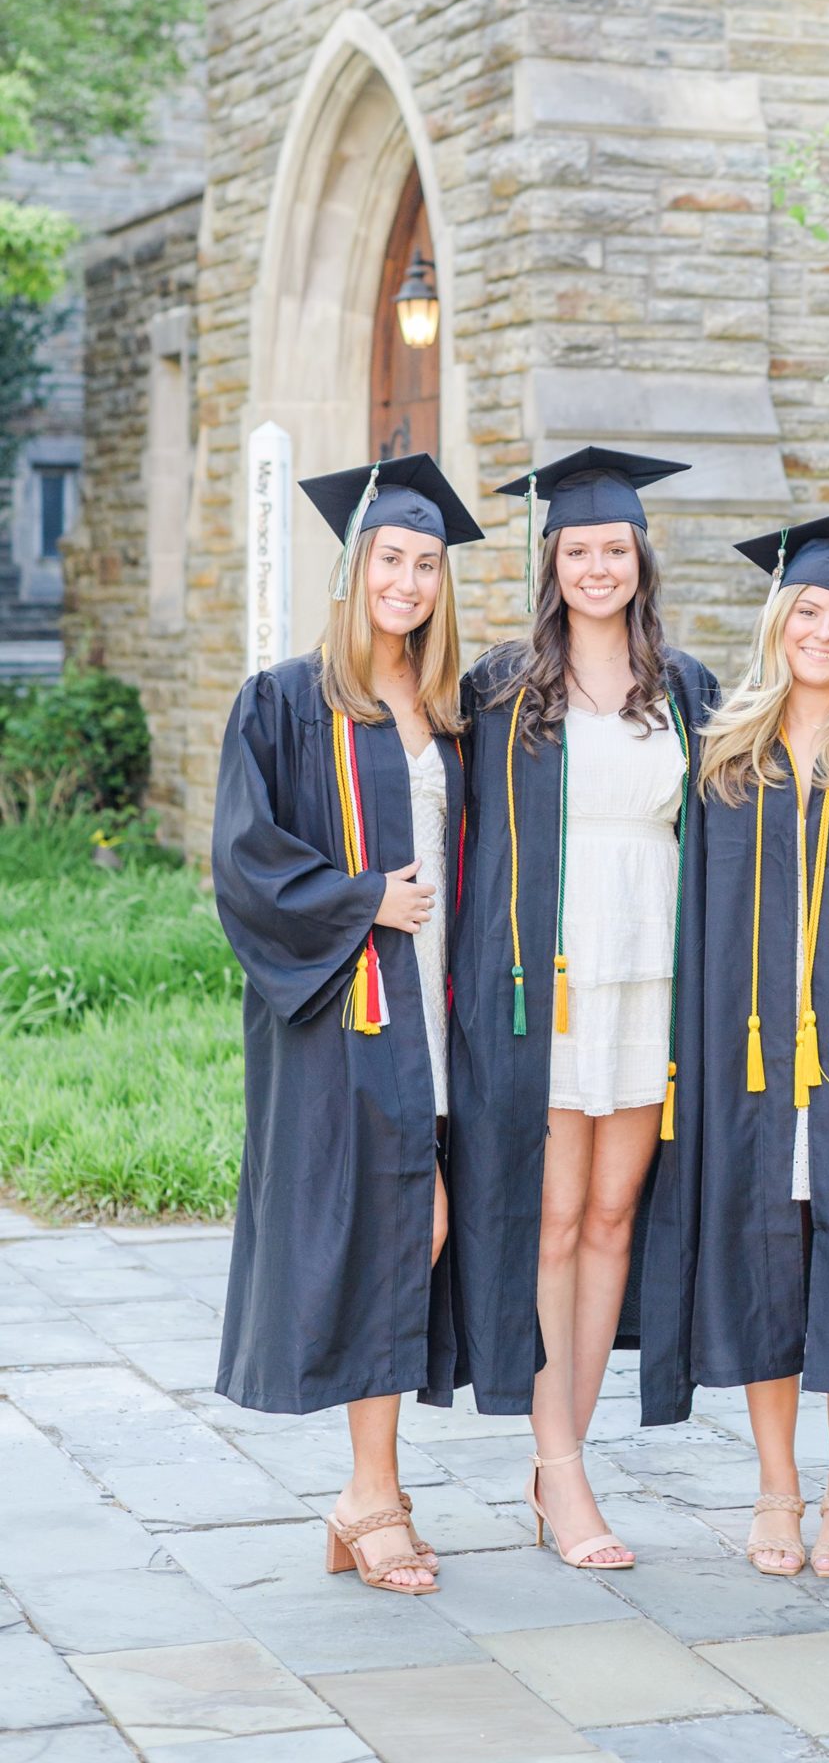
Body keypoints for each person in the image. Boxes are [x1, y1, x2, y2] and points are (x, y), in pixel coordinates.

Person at [642, 511, 829, 1584]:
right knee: (766, 1258)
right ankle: (776, 1487)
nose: (823, 632)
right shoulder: (722, 754)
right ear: (777, 619)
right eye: (807, 610)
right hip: (749, 1062)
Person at [212, 452, 482, 1596]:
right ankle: (370, 1494)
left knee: (417, 1231)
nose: (408, 580)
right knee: (390, 1232)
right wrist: (366, 896)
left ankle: (372, 1490)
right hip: (344, 1012)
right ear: (354, 564)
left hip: (440, 1018)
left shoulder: (455, 713)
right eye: (390, 557)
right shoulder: (285, 698)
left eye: (425, 563)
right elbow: (243, 861)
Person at [449, 448, 719, 1572]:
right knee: (553, 1218)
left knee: (615, 1218)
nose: (597, 565)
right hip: (548, 978)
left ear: (639, 559)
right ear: (550, 562)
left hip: (650, 971)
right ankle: (562, 1473)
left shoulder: (689, 687)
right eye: (578, 550)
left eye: (614, 548)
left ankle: (567, 1450)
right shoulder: (503, 686)